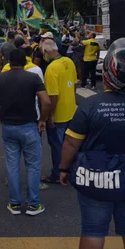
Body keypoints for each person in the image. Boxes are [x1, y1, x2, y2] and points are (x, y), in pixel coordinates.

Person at [59, 38, 125, 249]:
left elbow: (70, 143)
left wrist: (64, 169)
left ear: (108, 73)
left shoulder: (90, 105)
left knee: (93, 231)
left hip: (96, 179)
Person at [0, 48, 51, 216]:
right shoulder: (33, 78)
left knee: (12, 165)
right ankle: (33, 204)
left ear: (9, 62)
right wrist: (43, 120)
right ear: (25, 61)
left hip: (8, 127)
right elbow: (45, 101)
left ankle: (14, 203)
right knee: (33, 166)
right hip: (29, 126)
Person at [40, 39, 78, 185]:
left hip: (58, 115)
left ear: (47, 52)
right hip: (70, 110)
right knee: (71, 144)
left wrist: (50, 116)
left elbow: (52, 97)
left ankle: (57, 174)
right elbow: (74, 85)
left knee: (57, 146)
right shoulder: (69, 62)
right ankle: (71, 171)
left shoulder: (51, 68)